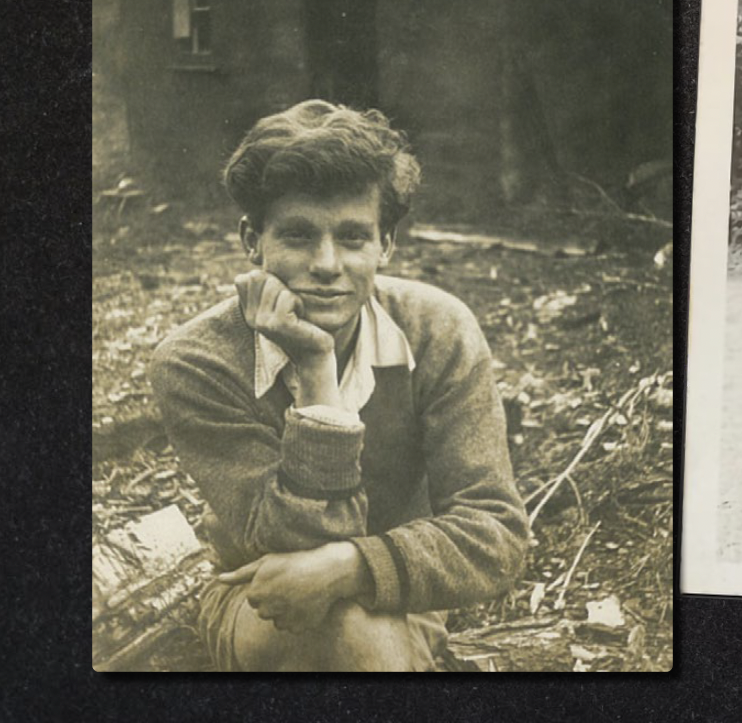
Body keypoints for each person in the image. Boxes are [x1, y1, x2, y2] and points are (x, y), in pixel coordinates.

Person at [150, 100, 529, 670]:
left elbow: (496, 535)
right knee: (338, 631)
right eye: (299, 236)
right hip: (258, 592)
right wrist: (316, 370)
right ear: (253, 240)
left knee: (358, 634)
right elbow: (290, 548)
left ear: (387, 244)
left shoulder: (437, 330)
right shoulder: (196, 360)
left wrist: (351, 566)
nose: (327, 264)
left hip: (405, 592)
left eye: (353, 237)